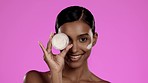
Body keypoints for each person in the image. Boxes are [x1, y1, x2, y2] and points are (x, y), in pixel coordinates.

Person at [24, 6, 110, 83]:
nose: (74, 49)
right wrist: (56, 73)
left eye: (83, 39)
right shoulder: (34, 79)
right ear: (55, 40)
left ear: (94, 39)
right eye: (67, 39)